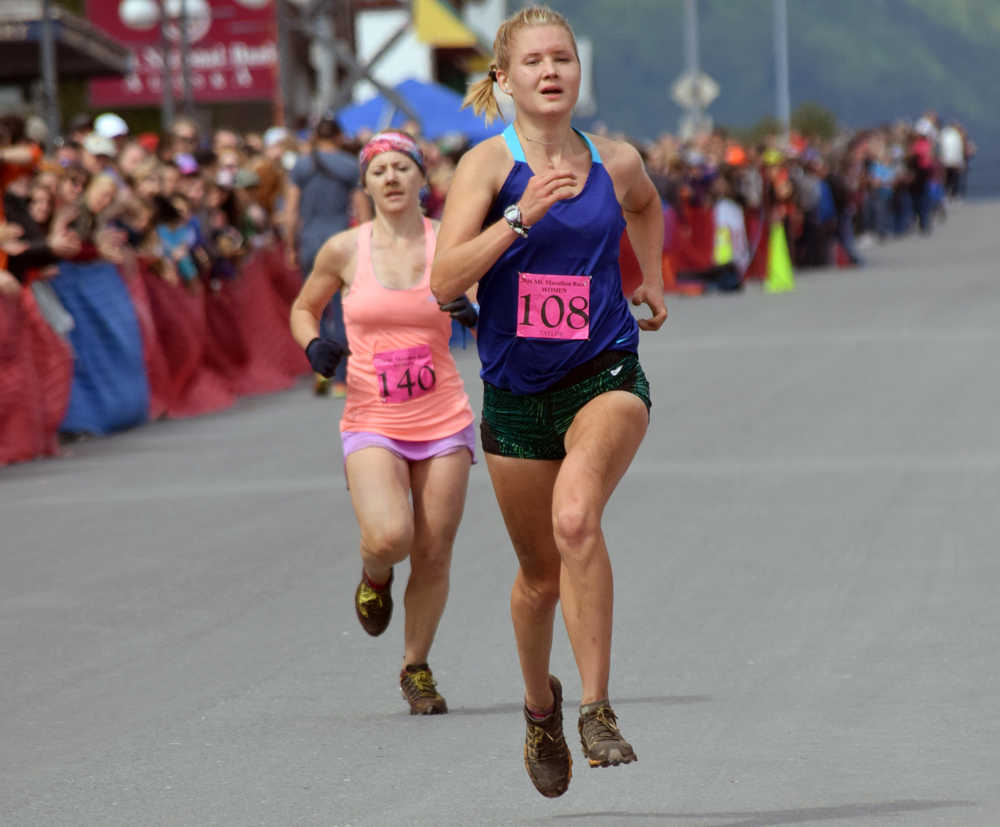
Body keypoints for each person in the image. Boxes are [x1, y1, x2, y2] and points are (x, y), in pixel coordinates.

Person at [430, 5, 666, 799]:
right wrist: (519, 217)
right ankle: (542, 709)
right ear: (504, 79)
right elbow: (443, 280)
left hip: (604, 372)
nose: (550, 71)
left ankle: (597, 708)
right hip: (515, 393)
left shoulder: (615, 160)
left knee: (575, 519)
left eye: (561, 58)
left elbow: (646, 205)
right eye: (533, 62)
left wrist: (651, 276)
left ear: (578, 69)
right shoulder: (485, 168)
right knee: (537, 577)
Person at [289, 131, 479, 715]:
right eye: (379, 171)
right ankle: (375, 575)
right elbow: (303, 307)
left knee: (434, 551)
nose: (391, 177)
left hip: (443, 416)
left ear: (422, 178)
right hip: (372, 414)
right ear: (366, 185)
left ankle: (415, 667)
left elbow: (485, 302)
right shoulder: (344, 249)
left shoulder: (451, 242)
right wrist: (314, 344)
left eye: (402, 167)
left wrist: (473, 310)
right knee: (391, 537)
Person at [284, 114, 361, 396]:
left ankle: (321, 370)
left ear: (316, 137)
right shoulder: (350, 165)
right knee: (342, 310)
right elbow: (362, 209)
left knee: (313, 307)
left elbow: (290, 212)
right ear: (339, 136)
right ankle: (341, 377)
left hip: (309, 242)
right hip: (342, 244)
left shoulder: (301, 166)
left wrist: (291, 246)